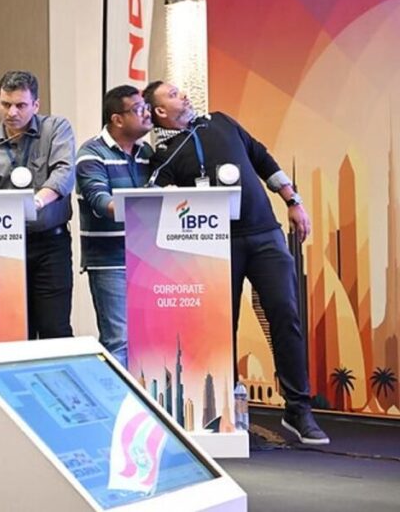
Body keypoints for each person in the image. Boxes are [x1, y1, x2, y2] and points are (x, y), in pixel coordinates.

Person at [143, 80, 329, 445]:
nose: (184, 95)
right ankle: (225, 410)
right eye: (173, 94)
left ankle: (298, 409)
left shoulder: (222, 122)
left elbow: (261, 158)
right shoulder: (163, 153)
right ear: (160, 111)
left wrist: (293, 200)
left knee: (285, 314)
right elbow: (153, 199)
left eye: (181, 90)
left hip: (264, 234)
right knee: (221, 328)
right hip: (214, 247)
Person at [0, 70, 76, 339]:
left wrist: (38, 200)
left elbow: (63, 173)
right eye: (6, 104)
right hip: (6, 249)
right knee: (15, 331)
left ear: (35, 105)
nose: (12, 112)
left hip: (50, 243)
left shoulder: (56, 129)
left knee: (55, 328)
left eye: (21, 105)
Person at [75, 85, 154, 366]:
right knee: (118, 339)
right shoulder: (91, 154)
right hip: (110, 261)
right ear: (117, 119)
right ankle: (115, 395)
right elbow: (101, 202)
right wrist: (139, 207)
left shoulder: (147, 152)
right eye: (139, 109)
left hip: (150, 260)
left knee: (150, 339)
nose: (147, 114)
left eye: (146, 107)